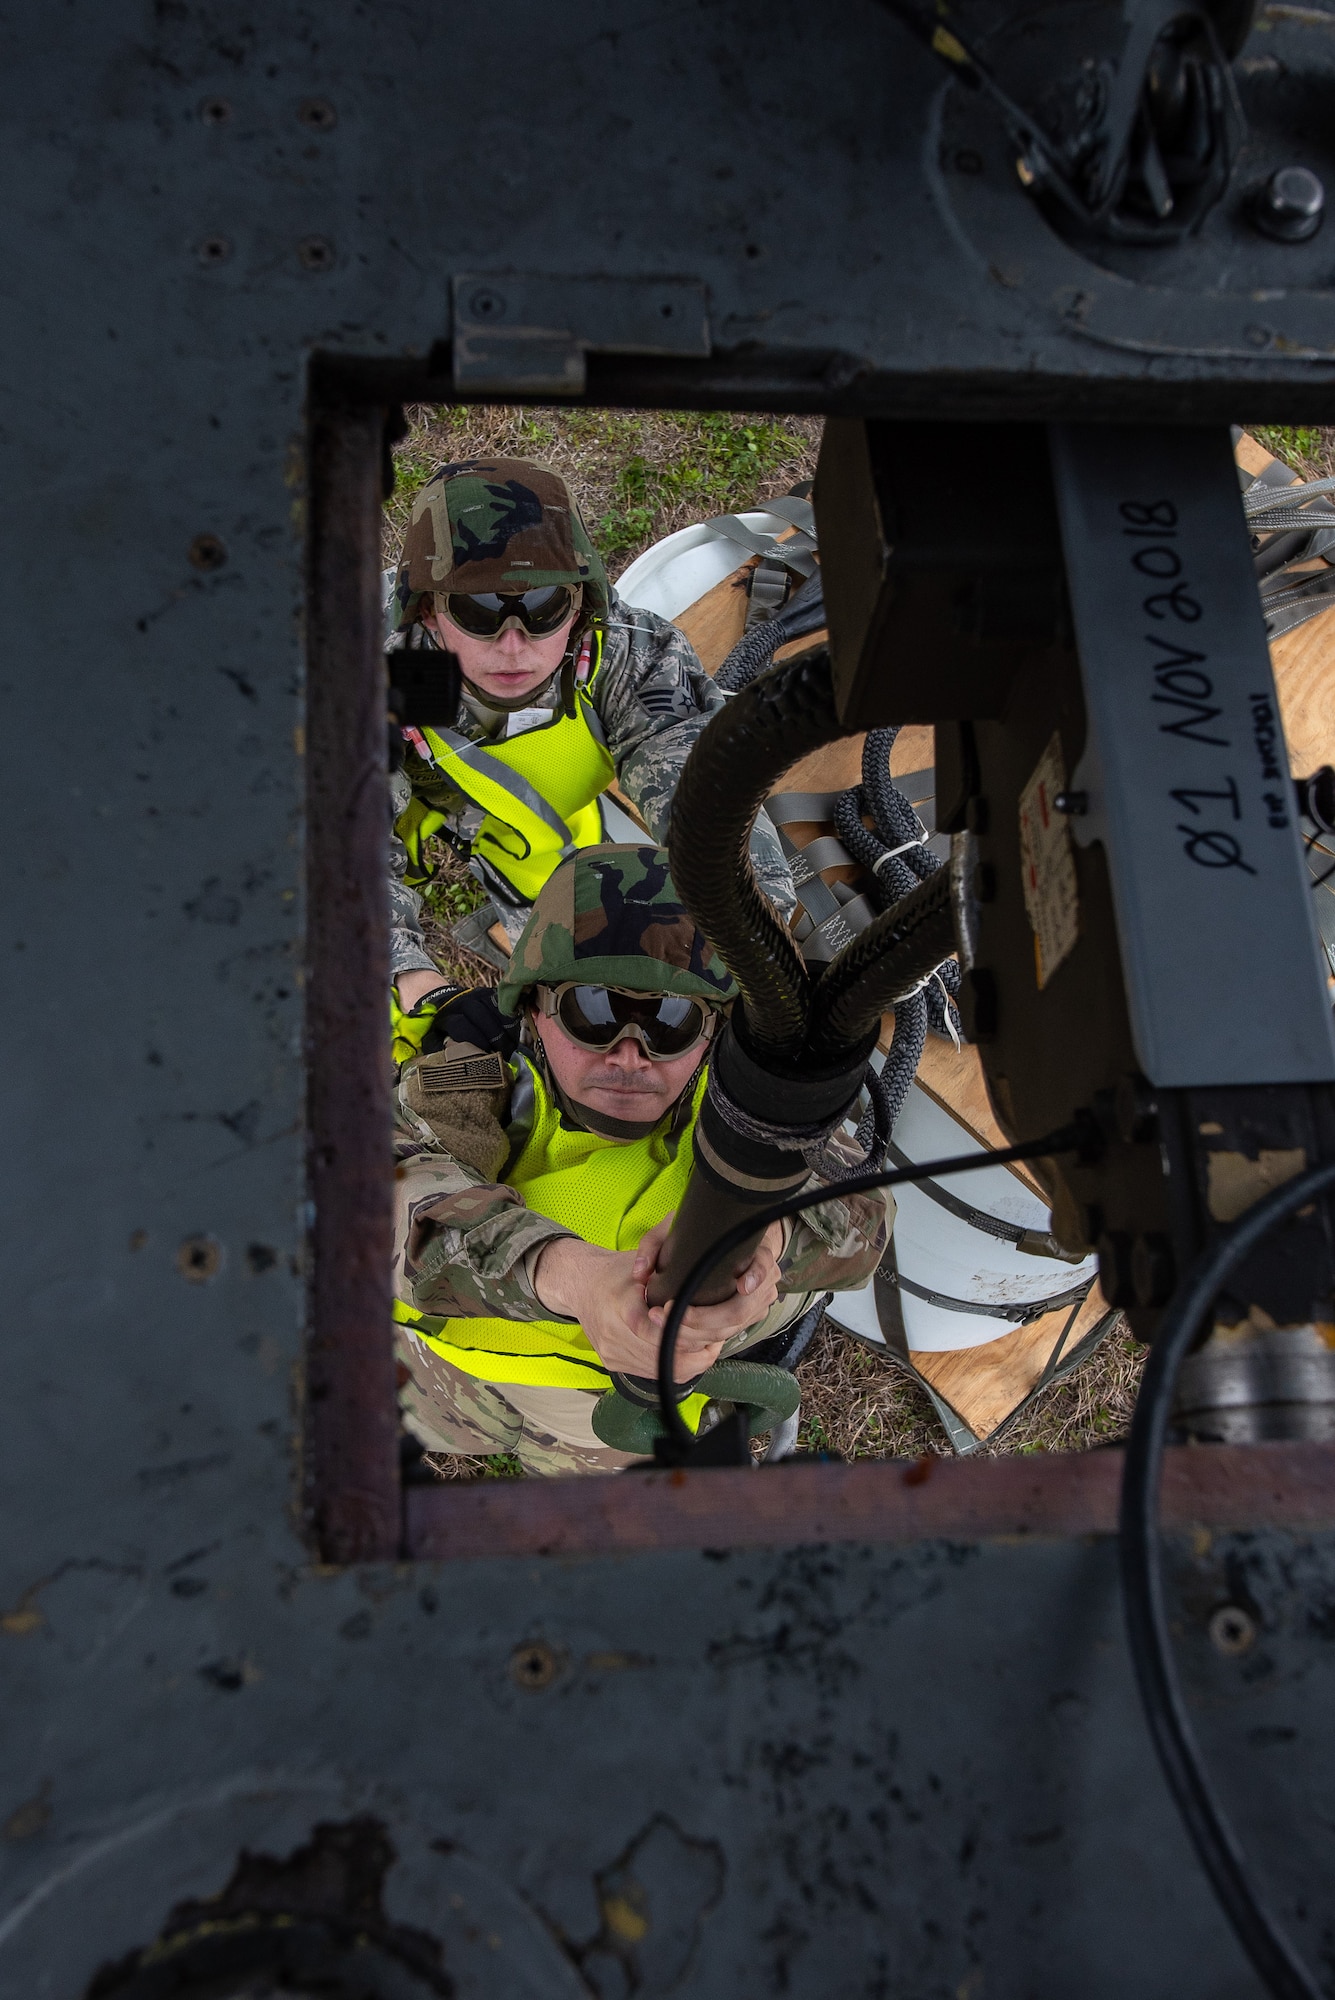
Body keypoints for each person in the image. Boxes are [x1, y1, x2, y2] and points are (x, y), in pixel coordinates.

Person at [392, 845, 890, 1476]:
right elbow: (390, 1200)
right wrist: (575, 1280)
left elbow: (867, 1210)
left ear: (714, 1032)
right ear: (533, 1013)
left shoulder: (743, 1103)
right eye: (591, 1011)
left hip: (612, 1411)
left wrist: (765, 1237)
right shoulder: (479, 1076)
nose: (630, 1055)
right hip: (451, 1368)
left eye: (670, 1020)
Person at [387, 455, 797, 1054]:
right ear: (428, 610)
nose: (513, 644)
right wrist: (417, 983)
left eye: (544, 606)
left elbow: (704, 799)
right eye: (477, 610)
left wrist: (758, 932)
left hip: (557, 802)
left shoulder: (630, 654)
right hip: (446, 799)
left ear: (581, 605)